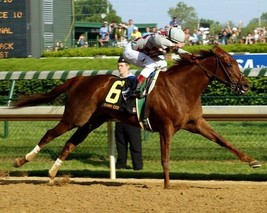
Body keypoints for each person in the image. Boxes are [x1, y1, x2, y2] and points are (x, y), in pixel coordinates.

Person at [123, 26, 187, 97]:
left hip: (143, 53)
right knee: (151, 65)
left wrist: (191, 56)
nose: (178, 46)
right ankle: (135, 87)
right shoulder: (159, 37)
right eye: (176, 43)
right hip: (131, 50)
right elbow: (158, 40)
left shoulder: (169, 42)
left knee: (163, 64)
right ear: (171, 39)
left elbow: (178, 50)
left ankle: (157, 85)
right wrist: (175, 44)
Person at [115, 55, 143, 170]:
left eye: (122, 66)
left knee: (135, 143)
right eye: (118, 66)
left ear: (128, 66)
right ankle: (120, 166)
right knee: (120, 144)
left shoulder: (134, 80)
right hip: (119, 117)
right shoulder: (117, 81)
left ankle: (138, 167)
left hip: (131, 118)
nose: (119, 68)